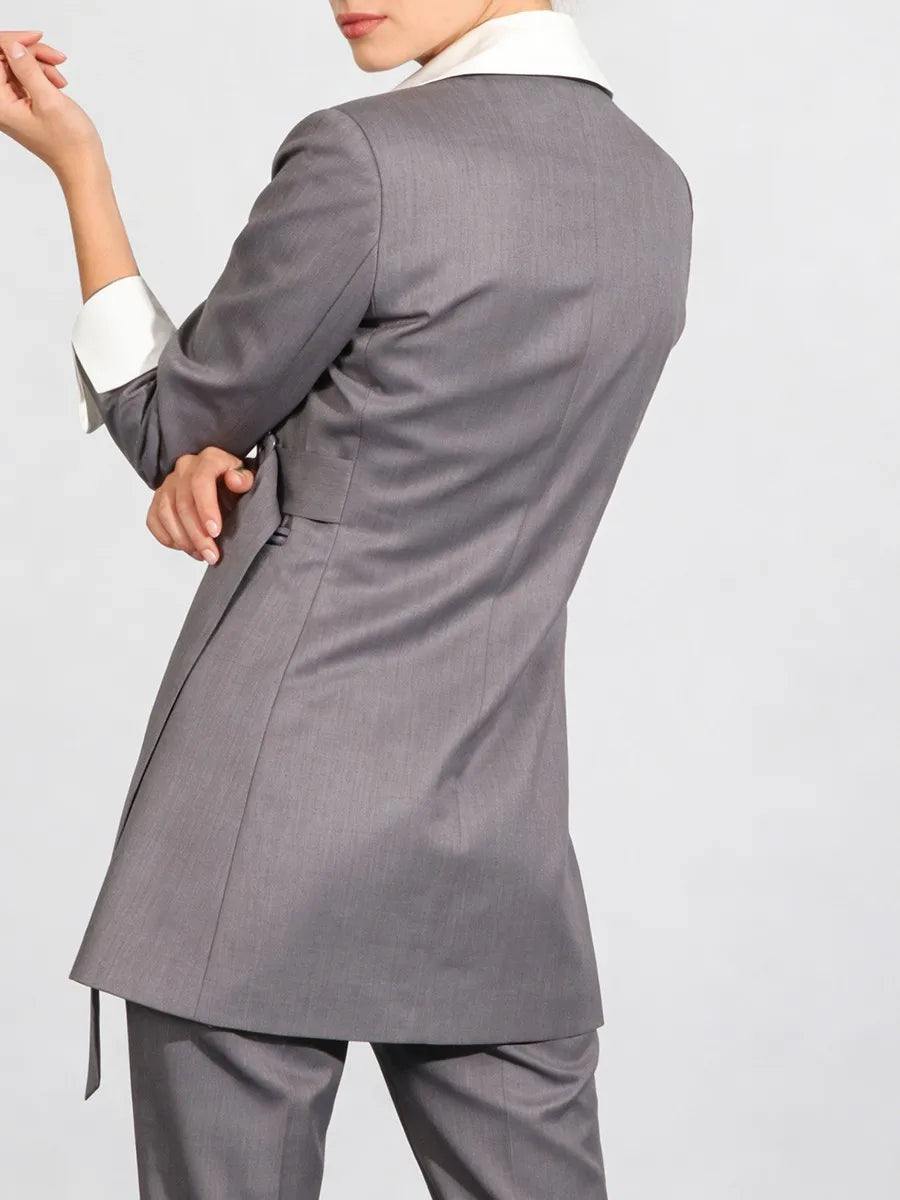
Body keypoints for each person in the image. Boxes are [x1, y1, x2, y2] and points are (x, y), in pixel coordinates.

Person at [0, 3, 692, 1196]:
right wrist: (267, 463)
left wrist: (79, 165)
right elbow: (442, 437)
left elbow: (172, 421)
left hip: (261, 816)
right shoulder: (654, 189)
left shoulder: (367, 158)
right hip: (498, 819)